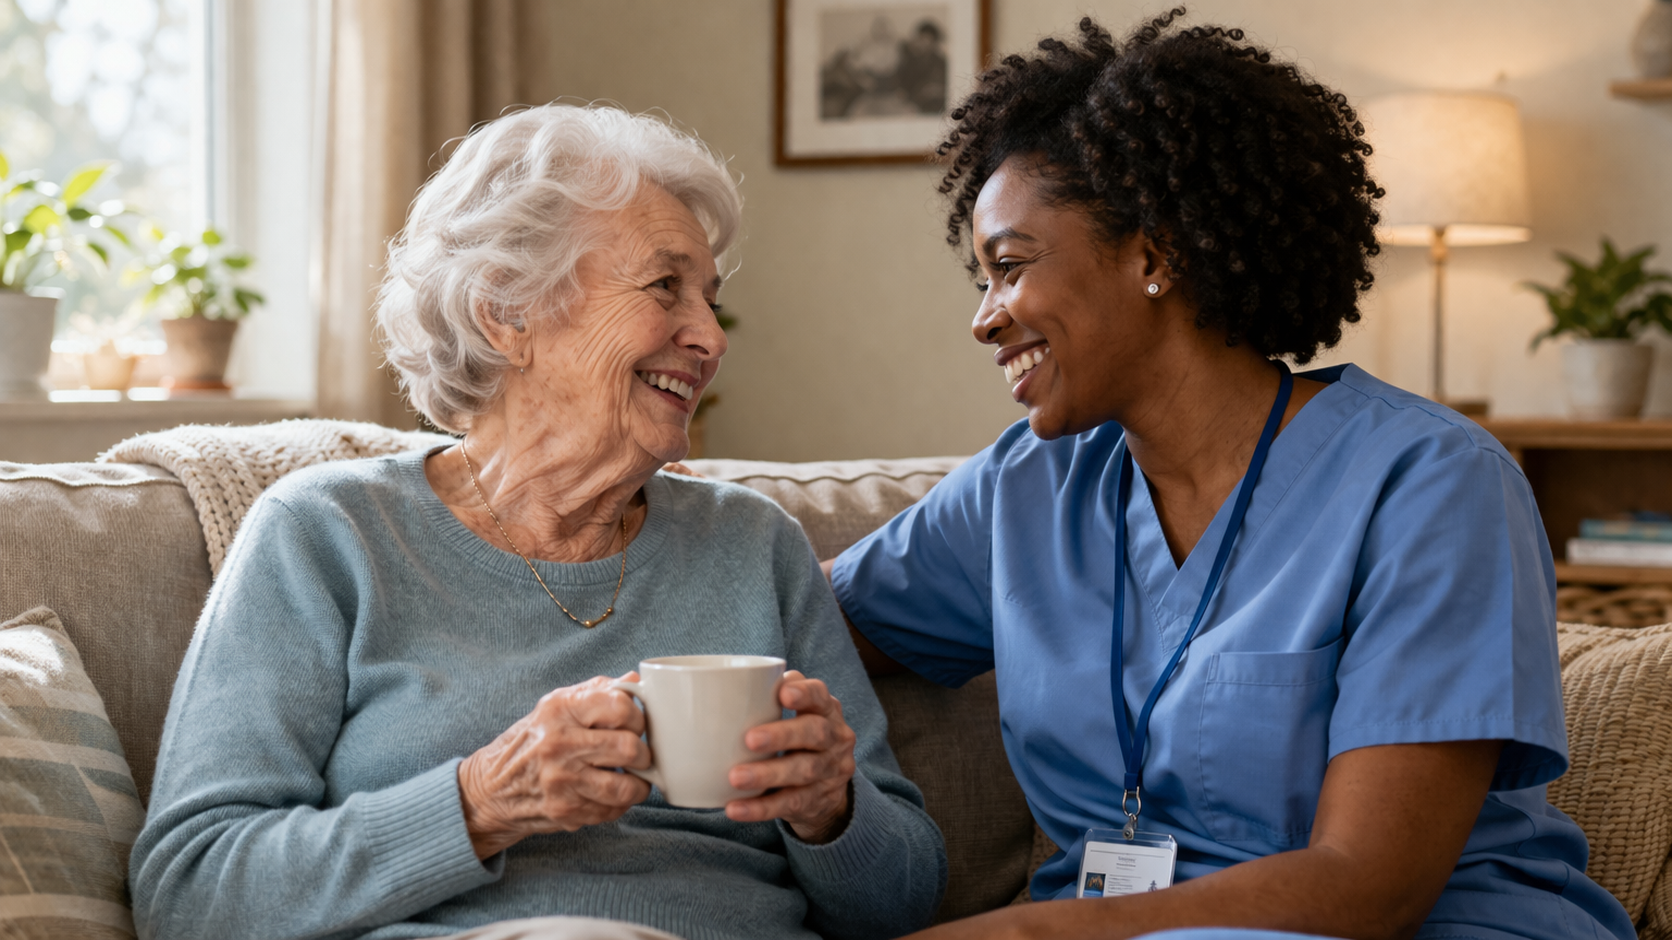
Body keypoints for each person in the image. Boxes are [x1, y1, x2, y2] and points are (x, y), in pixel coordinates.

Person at [824, 13, 1634, 940]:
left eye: (1008, 267)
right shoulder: (1028, 488)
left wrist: (1018, 933)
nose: (984, 319)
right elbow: (787, 618)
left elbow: (1367, 888)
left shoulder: (1433, 484)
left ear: (1156, 254)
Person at [130, 104, 946, 940]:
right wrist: (483, 799)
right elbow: (190, 893)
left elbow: (907, 900)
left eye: (709, 297)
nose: (708, 337)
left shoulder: (753, 545)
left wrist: (831, 810)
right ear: (505, 312)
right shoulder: (328, 535)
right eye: (665, 286)